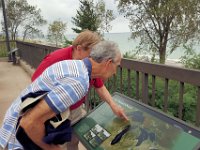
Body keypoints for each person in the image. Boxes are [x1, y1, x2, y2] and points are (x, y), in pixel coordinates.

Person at [0, 41, 128, 150]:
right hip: (17, 139)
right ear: (108, 63)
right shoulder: (79, 82)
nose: (116, 72)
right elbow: (29, 123)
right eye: (117, 66)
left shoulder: (74, 65)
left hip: (11, 123)